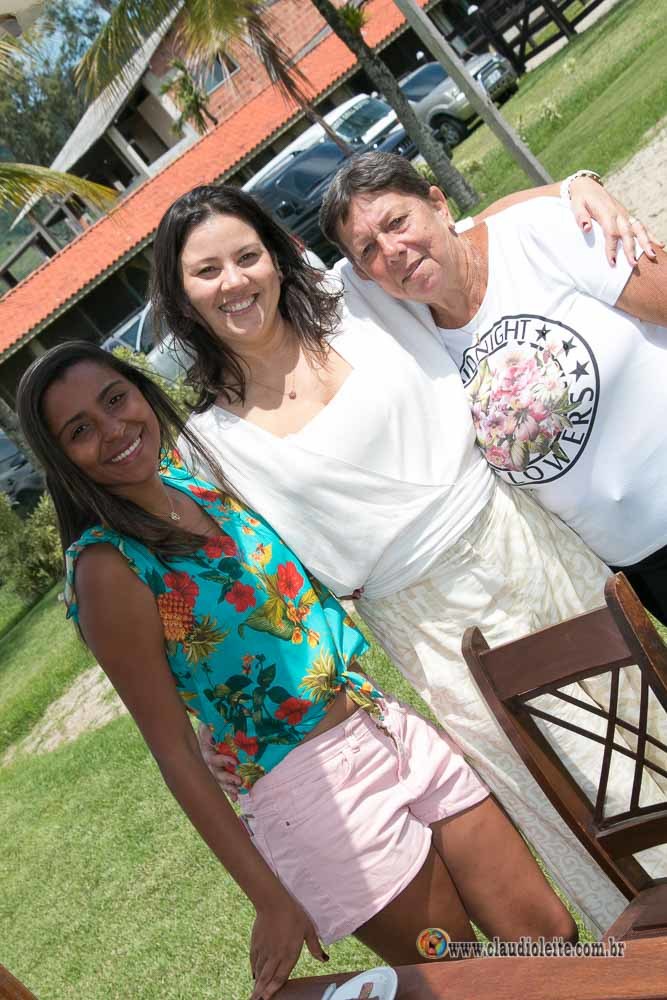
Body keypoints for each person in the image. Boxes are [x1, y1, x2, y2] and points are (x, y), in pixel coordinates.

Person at [149, 181, 666, 937]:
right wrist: (209, 718)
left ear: (276, 257)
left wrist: (569, 189)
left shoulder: (356, 296)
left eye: (246, 256)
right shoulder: (207, 446)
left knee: (651, 723)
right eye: (207, 271)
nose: (234, 281)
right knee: (580, 790)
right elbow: (212, 586)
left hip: (527, 543)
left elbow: (456, 232)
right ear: (182, 295)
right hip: (434, 631)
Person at [16, 342, 577, 1000]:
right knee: (460, 982)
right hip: (310, 798)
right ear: (63, 459)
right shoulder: (107, 567)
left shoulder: (193, 482)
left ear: (140, 391)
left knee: (548, 936)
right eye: (80, 430)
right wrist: (268, 898)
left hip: (384, 726)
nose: (113, 429)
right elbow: (172, 752)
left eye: (115, 399)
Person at [318, 152, 667, 622]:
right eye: (368, 250)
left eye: (397, 222)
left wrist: (573, 184)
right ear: (363, 275)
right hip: (638, 565)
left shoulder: (536, 234)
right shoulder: (411, 340)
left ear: (438, 205)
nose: (392, 250)